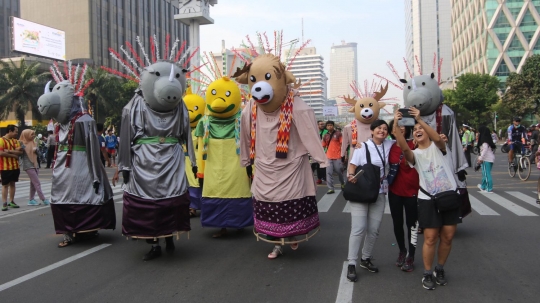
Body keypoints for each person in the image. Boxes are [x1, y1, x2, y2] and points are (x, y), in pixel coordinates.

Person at [393, 107, 461, 290]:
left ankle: (440, 268)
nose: (417, 131)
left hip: (449, 197)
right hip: (428, 199)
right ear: (413, 138)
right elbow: (403, 146)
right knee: (430, 238)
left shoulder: (440, 148)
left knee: (447, 237)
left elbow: (438, 138)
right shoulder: (414, 155)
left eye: (420, 129)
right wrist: (396, 123)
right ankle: (427, 273)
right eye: (414, 131)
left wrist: (419, 120)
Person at [346, 120, 394, 282]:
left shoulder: (389, 145)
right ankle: (351, 262)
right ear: (372, 131)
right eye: (379, 128)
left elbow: (403, 139)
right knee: (358, 228)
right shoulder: (363, 147)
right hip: (361, 192)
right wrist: (351, 176)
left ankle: (366, 258)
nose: (382, 131)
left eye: (385, 129)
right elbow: (352, 166)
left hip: (379, 193)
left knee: (374, 230)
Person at [387, 119, 419, 272]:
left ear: (407, 129)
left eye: (402, 125)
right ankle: (402, 251)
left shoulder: (415, 144)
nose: (399, 128)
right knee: (397, 223)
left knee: (412, 225)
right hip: (394, 192)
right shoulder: (388, 146)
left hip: (413, 192)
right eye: (395, 126)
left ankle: (411, 255)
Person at [19, 129, 50, 206]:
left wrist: (36, 151)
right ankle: (43, 199)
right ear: (26, 135)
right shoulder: (21, 143)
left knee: (33, 183)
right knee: (37, 182)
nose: (33, 136)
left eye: (33, 134)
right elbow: (20, 155)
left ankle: (31, 199)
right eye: (31, 134)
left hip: (36, 165)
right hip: (28, 165)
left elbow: (39, 154)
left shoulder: (34, 143)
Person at [0, 124, 23, 211]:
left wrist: (8, 151)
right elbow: (1, 153)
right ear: (10, 131)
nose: (16, 133)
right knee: (5, 185)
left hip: (15, 167)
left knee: (13, 184)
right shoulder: (1, 140)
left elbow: (21, 152)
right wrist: (14, 155)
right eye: (15, 132)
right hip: (5, 167)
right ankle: (5, 203)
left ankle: (11, 201)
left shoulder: (16, 141)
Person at [322, 121, 345, 194]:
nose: (329, 127)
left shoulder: (338, 134)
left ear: (333, 125)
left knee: (339, 171)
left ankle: (342, 183)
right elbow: (323, 145)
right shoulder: (325, 135)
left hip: (337, 156)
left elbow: (342, 144)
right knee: (328, 172)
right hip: (328, 156)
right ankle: (331, 188)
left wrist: (344, 154)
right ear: (326, 127)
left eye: (331, 125)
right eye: (328, 125)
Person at [476, 126, 495, 193]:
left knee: (487, 174)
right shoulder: (488, 140)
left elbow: (485, 150)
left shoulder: (484, 141)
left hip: (486, 159)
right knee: (485, 173)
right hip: (490, 159)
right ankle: (483, 186)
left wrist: (481, 157)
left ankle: (489, 189)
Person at [315, 120, 328, 184]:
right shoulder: (315, 132)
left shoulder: (326, 132)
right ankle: (319, 178)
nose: (322, 125)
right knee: (318, 166)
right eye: (321, 124)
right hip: (317, 151)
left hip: (325, 150)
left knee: (325, 165)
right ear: (317, 125)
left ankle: (325, 177)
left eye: (323, 124)